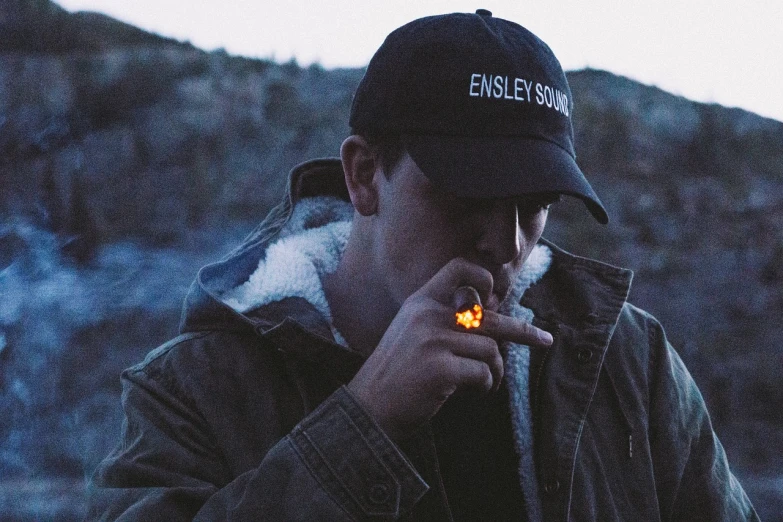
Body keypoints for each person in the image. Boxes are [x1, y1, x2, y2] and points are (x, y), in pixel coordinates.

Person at [87, 10, 759, 521]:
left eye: (536, 203)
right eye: (468, 194)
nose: (505, 242)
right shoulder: (196, 386)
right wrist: (362, 420)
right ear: (364, 176)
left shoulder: (624, 357)